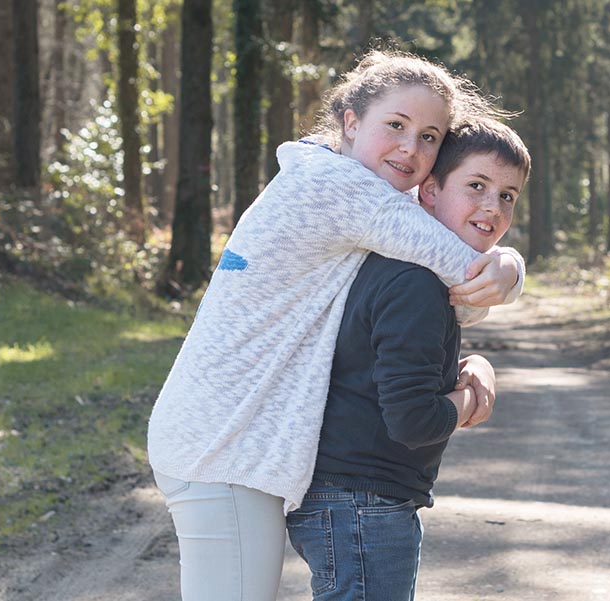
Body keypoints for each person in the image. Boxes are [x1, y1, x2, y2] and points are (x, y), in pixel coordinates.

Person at [146, 50, 526, 601]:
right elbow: (467, 283)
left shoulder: (322, 176)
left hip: (228, 439)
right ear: (350, 121)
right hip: (223, 443)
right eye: (395, 125)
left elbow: (441, 290)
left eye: (429, 137)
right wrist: (511, 268)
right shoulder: (340, 190)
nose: (410, 148)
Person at [287, 118, 531, 601]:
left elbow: (390, 377)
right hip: (360, 501)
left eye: (507, 195)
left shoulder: (418, 271)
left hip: (354, 497)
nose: (492, 205)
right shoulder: (415, 280)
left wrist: (471, 365)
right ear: (430, 191)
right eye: (476, 186)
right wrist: (470, 398)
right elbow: (415, 420)